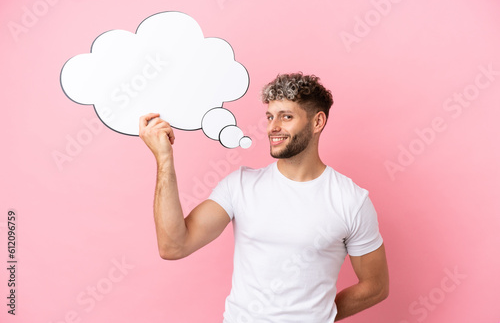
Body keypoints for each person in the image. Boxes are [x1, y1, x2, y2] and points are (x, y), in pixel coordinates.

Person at [138, 72, 389, 322]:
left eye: (286, 117)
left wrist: (321, 316)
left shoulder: (351, 200)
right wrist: (164, 158)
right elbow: (173, 246)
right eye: (270, 117)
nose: (273, 127)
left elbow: (375, 286)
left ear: (317, 122)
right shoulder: (241, 185)